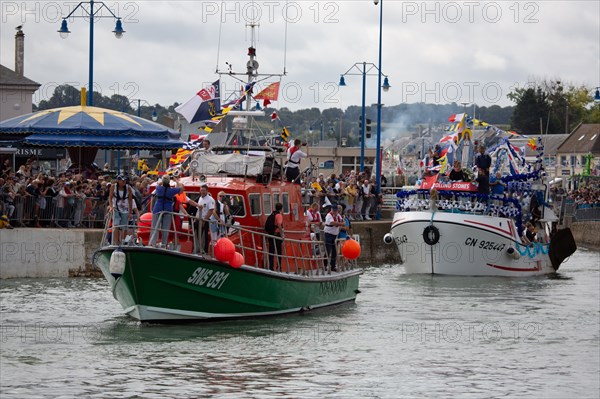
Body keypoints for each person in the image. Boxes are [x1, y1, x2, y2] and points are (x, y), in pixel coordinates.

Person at [149, 175, 182, 247]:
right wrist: (176, 180)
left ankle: (152, 243)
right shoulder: (172, 190)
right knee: (165, 229)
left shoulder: (158, 188)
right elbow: (181, 188)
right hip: (167, 210)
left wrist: (161, 180)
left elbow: (158, 184)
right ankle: (164, 244)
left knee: (155, 227)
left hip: (157, 209)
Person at [108, 175, 133, 245]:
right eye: (122, 180)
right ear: (118, 181)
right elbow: (110, 197)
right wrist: (111, 206)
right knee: (116, 224)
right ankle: (116, 242)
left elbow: (130, 200)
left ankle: (123, 241)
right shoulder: (113, 187)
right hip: (116, 207)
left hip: (125, 209)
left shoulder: (128, 188)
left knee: (124, 226)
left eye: (125, 180)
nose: (124, 181)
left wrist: (130, 212)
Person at [323, 204, 345, 272]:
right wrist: (340, 224)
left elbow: (342, 221)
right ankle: (325, 265)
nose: (335, 212)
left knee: (334, 251)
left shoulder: (338, 215)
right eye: (333, 210)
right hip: (328, 234)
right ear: (331, 210)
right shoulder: (329, 215)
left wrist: (340, 223)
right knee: (328, 250)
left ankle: (333, 266)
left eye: (336, 210)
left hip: (335, 235)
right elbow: (333, 223)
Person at [197, 184, 217, 254]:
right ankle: (198, 248)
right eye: (201, 190)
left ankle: (204, 251)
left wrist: (204, 220)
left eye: (203, 190)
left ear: (207, 191)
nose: (202, 192)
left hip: (205, 220)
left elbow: (211, 210)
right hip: (199, 219)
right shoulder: (200, 198)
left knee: (204, 236)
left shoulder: (210, 199)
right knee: (198, 234)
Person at [265, 202, 284, 271]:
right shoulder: (279, 215)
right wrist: (282, 234)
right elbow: (279, 224)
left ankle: (271, 267)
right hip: (276, 235)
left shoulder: (272, 214)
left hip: (271, 235)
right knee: (279, 252)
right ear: (281, 208)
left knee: (271, 251)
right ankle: (279, 267)